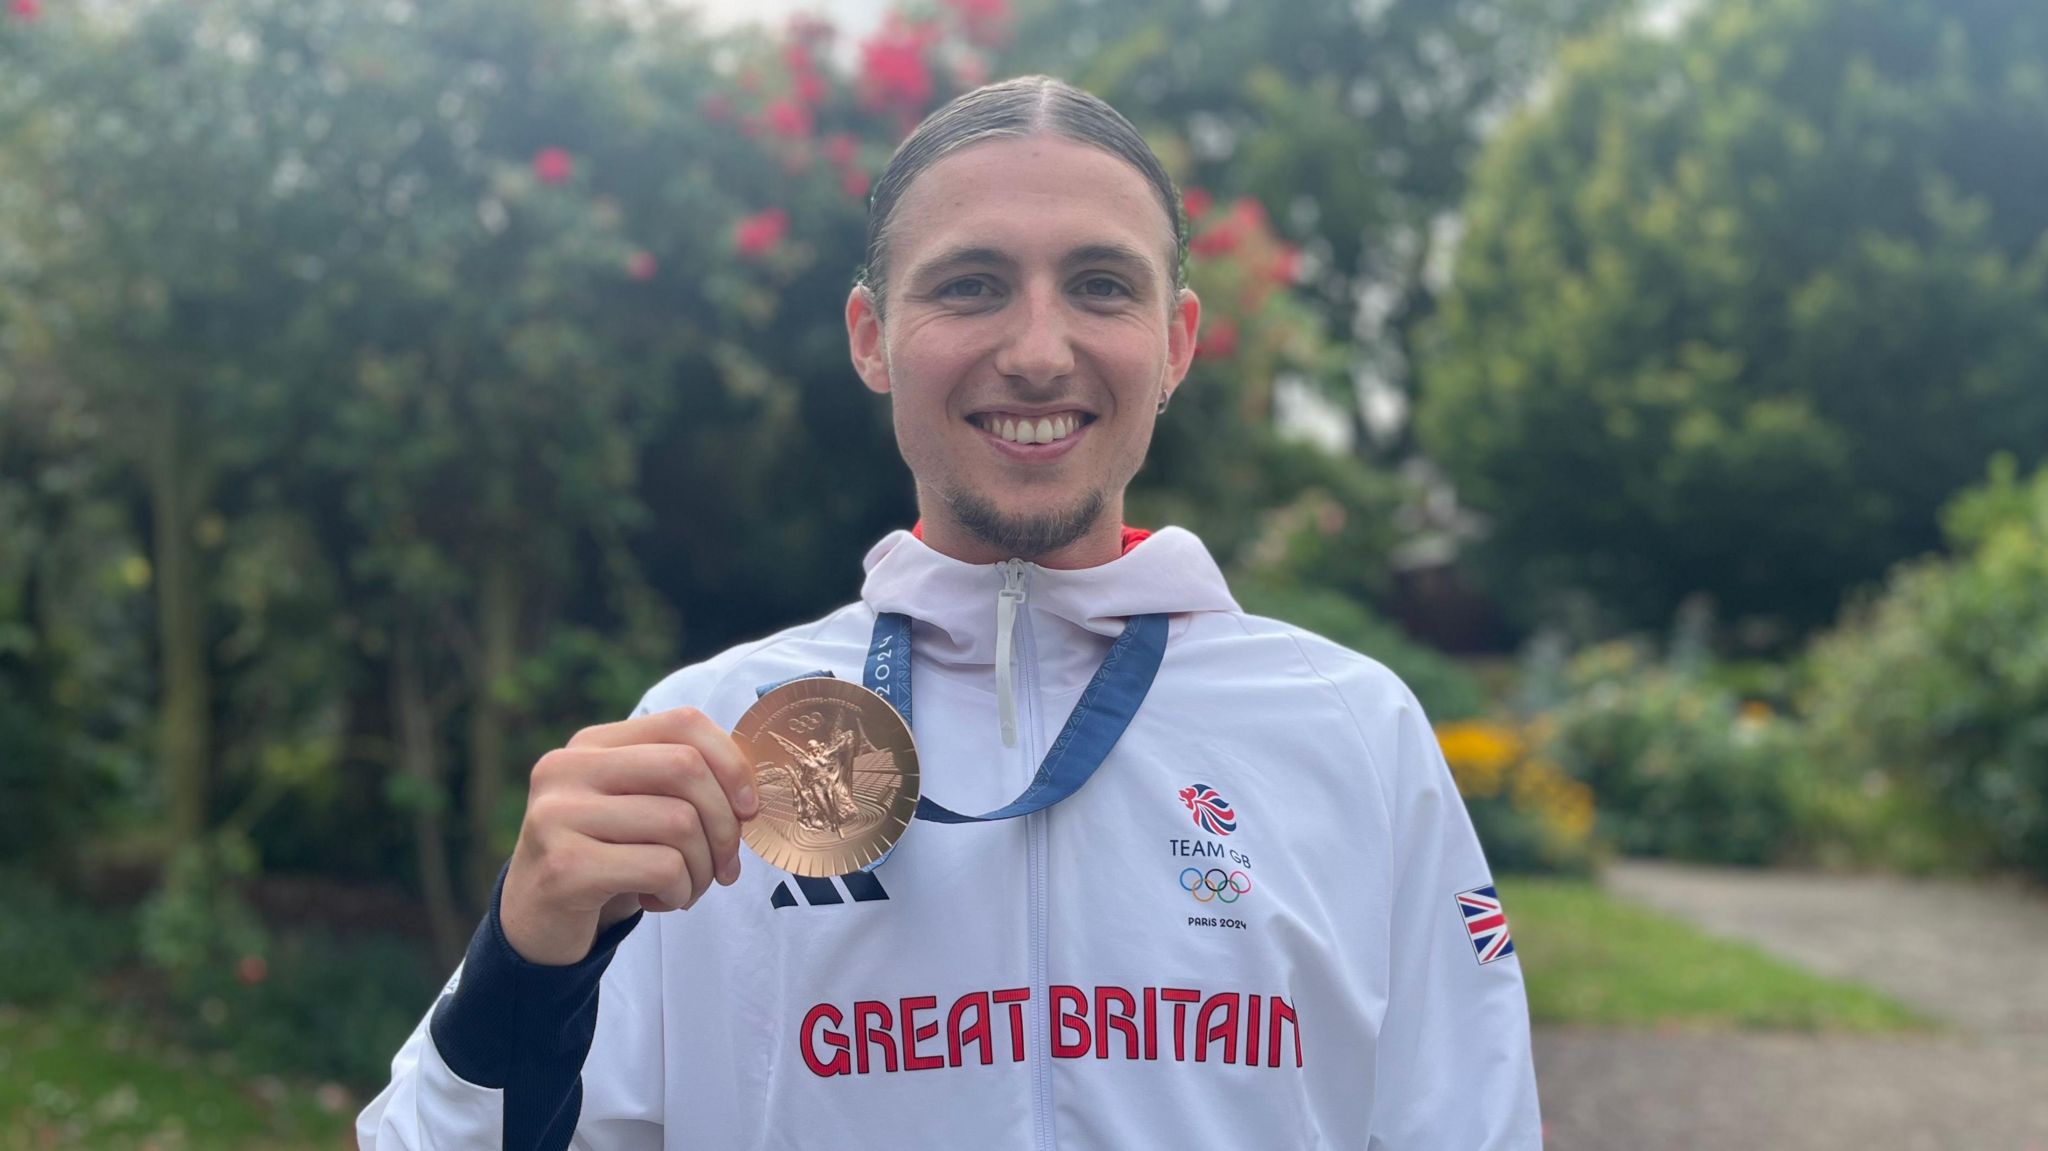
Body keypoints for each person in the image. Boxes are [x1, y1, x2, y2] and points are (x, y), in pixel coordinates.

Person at [358, 75, 1541, 1149]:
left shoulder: (1350, 729)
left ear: (1176, 343)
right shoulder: (709, 735)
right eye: (970, 286)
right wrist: (524, 954)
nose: (1037, 350)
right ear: (873, 339)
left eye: (1099, 285)